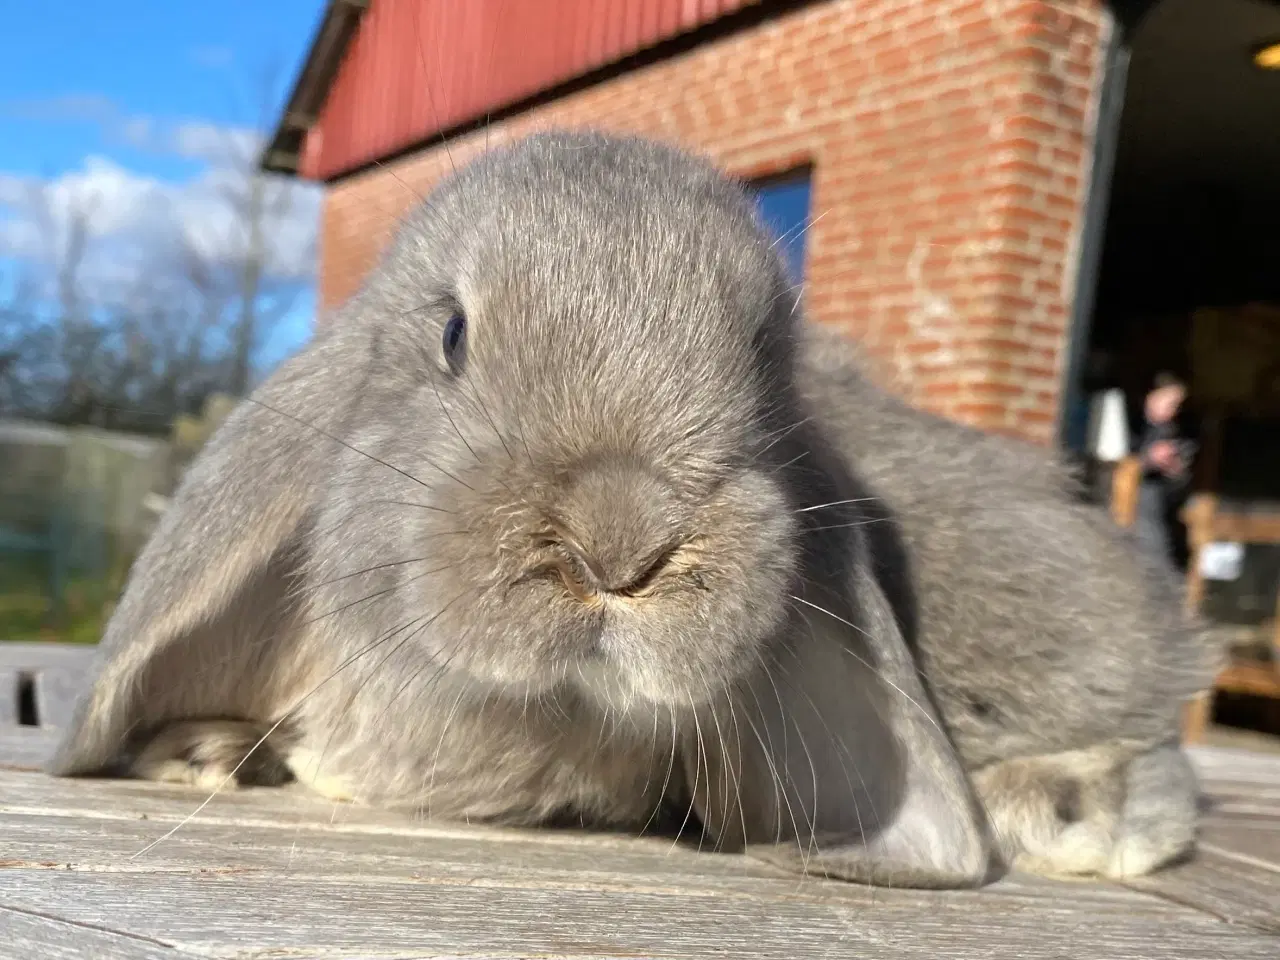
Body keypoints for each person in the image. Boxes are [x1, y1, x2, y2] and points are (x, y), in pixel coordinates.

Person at [1135, 373, 1197, 570]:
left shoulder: (1177, 435)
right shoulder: (1132, 424)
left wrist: (1175, 472)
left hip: (1153, 522)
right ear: (1150, 396)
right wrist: (1146, 459)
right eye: (1169, 403)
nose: (1173, 411)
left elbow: (1181, 492)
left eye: (1177, 405)